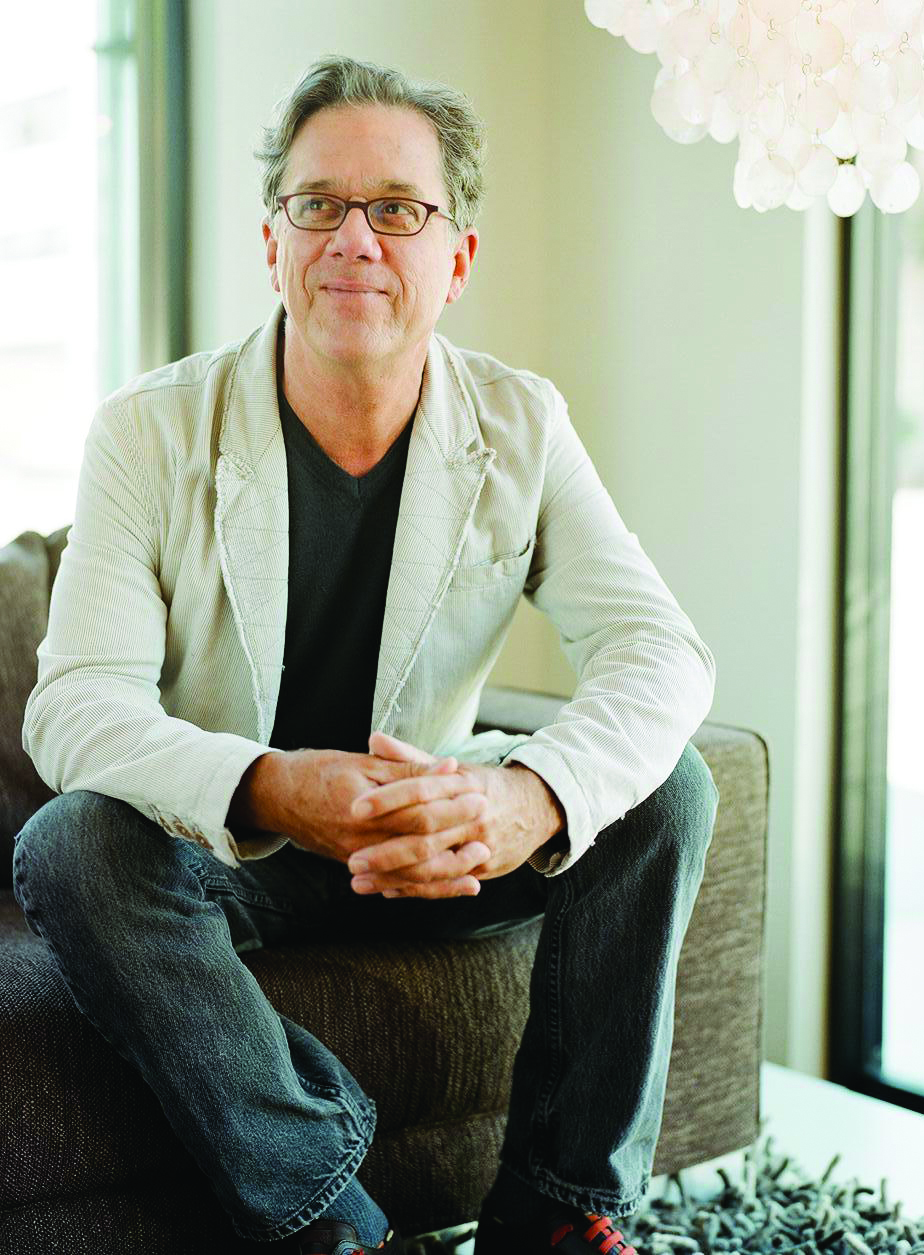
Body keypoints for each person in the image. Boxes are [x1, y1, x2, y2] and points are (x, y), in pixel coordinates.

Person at [13, 54, 720, 1255]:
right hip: (234, 852)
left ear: (457, 258)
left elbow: (658, 648)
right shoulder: (148, 431)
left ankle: (555, 1214)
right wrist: (273, 784)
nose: (354, 238)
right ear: (272, 243)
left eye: (396, 208)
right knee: (70, 844)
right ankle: (331, 1222)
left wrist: (523, 797)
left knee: (670, 788)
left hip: (433, 840)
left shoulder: (523, 423)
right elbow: (75, 704)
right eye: (318, 204)